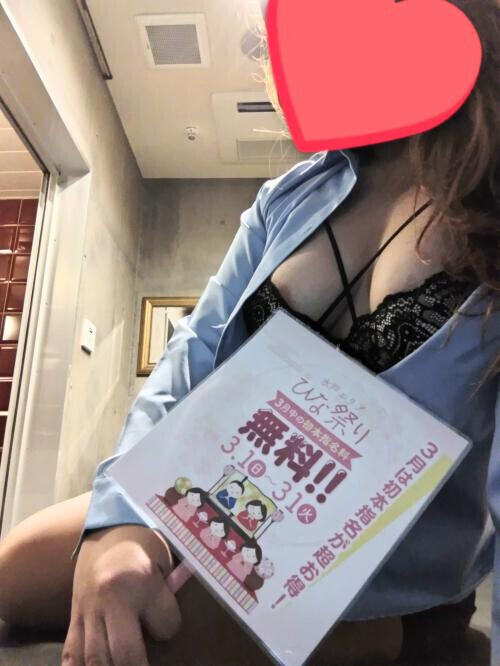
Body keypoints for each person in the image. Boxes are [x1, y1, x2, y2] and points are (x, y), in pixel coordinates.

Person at [0, 1, 497, 664]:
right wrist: (121, 520)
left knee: (149, 641)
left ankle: (410, 632)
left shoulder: (489, 204)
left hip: (383, 581)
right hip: (221, 503)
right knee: (16, 570)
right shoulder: (290, 197)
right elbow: (196, 349)